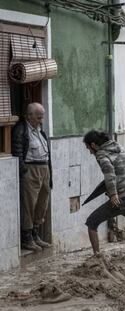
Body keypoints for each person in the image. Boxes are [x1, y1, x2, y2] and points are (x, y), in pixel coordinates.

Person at [12, 102, 53, 252]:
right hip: (31, 168)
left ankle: (35, 234)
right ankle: (27, 237)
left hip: (44, 168)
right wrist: (24, 171)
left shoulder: (40, 130)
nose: (40, 120)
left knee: (42, 203)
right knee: (29, 204)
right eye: (38, 117)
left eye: (41, 117)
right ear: (29, 116)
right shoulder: (21, 130)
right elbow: (17, 151)